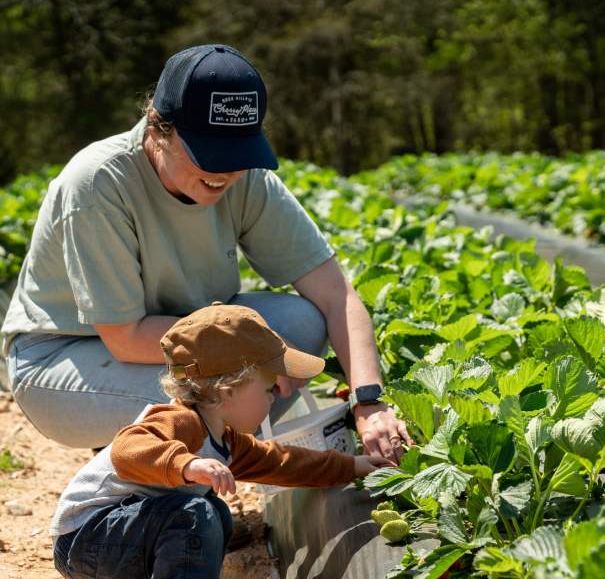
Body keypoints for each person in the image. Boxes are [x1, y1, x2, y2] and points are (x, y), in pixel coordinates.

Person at [2, 43, 410, 460]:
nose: (226, 172)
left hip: (179, 342)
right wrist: (253, 351)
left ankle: (182, 454)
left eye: (238, 153)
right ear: (159, 127)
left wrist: (369, 401)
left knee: (300, 323)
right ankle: (157, 491)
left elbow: (334, 294)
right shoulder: (98, 185)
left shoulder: (243, 178)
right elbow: (124, 338)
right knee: (225, 390)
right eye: (210, 154)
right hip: (67, 359)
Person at [50, 303, 392, 579]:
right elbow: (127, 450)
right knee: (194, 514)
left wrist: (354, 465)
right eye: (267, 387)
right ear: (228, 389)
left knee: (213, 513)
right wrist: (187, 464)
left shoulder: (225, 440)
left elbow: (281, 462)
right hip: (85, 543)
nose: (275, 395)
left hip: (111, 546)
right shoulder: (178, 421)